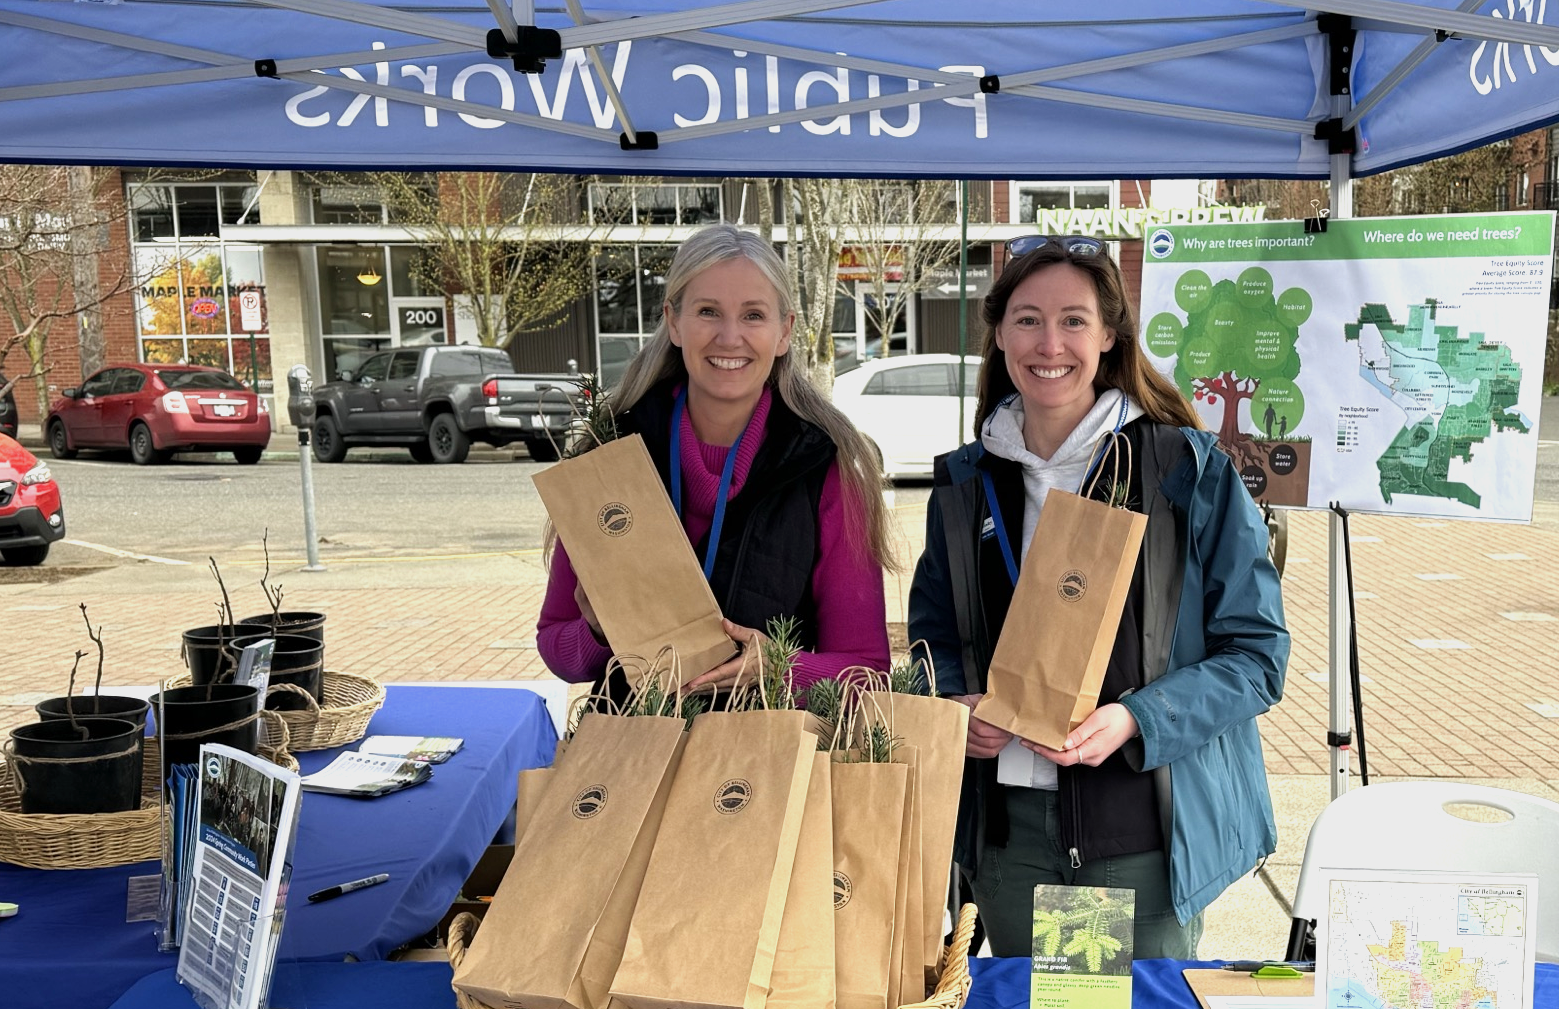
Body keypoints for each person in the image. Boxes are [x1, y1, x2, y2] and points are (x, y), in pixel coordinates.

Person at [908, 236, 1288, 960]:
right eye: (1026, 319)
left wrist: (1135, 718)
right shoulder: (964, 484)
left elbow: (1257, 654)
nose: (1049, 343)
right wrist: (952, 704)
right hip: (1009, 838)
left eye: (1073, 320)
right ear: (997, 332)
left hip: (1135, 837)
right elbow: (932, 640)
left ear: (1109, 334)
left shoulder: (1182, 470)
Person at [537, 224, 893, 697]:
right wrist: (598, 632)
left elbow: (867, 670)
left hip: (770, 759)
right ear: (674, 322)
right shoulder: (612, 454)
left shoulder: (827, 465)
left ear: (784, 332)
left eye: (753, 315)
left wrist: (782, 670)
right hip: (636, 758)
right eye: (708, 311)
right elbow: (559, 651)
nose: (730, 337)